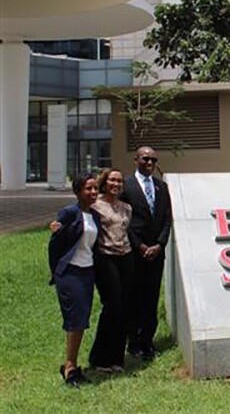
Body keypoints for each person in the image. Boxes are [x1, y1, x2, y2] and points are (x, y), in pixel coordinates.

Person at [48, 173, 101, 387]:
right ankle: (70, 367)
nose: (93, 192)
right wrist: (57, 271)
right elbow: (54, 243)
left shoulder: (95, 215)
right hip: (70, 273)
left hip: (87, 272)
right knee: (75, 319)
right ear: (78, 191)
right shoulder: (70, 212)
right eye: (88, 188)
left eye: (95, 188)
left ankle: (71, 363)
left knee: (82, 319)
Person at [121, 146, 172, 361]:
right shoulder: (126, 186)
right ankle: (133, 342)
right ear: (136, 160)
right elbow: (124, 221)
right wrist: (140, 246)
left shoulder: (161, 187)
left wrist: (160, 244)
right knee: (134, 297)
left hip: (156, 253)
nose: (149, 163)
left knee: (151, 298)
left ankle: (148, 342)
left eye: (153, 159)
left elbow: (167, 219)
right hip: (135, 252)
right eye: (145, 159)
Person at [88, 168, 133, 371]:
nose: (116, 184)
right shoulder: (95, 206)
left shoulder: (126, 208)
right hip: (105, 258)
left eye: (119, 181)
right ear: (104, 183)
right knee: (112, 305)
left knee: (124, 306)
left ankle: (117, 358)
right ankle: (99, 358)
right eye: (112, 180)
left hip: (126, 256)